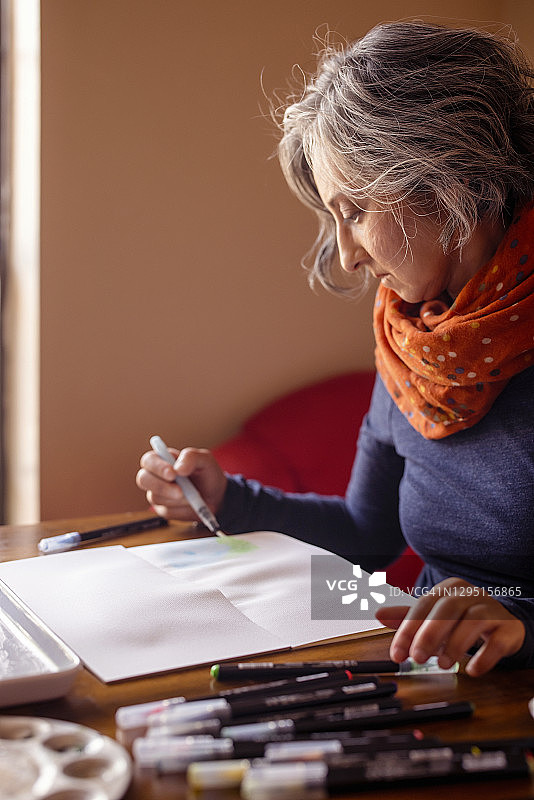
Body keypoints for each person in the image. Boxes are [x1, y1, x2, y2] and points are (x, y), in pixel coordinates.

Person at [136, 21, 534, 677]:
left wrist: (520, 620)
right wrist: (225, 497)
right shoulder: (417, 345)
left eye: (353, 212)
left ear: (443, 181)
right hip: (428, 680)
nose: (347, 257)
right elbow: (364, 536)